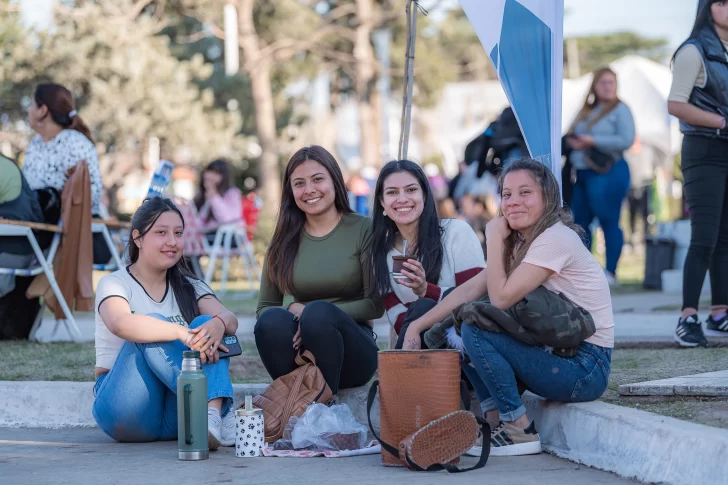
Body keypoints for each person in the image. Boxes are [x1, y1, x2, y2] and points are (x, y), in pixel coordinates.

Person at [402, 158, 614, 457]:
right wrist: (417, 326)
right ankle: (491, 419)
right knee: (457, 321)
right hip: (556, 354)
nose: (513, 202)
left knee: (475, 326)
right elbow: (470, 289)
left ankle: (519, 429)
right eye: (507, 194)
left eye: (525, 193)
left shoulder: (555, 238)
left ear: (548, 198)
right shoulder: (522, 240)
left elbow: (500, 298)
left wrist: (492, 237)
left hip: (585, 367)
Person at [92, 198, 238, 449]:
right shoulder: (114, 283)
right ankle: (215, 410)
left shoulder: (191, 286)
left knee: (207, 323)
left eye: (178, 233)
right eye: (161, 232)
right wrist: (180, 332)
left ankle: (210, 417)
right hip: (125, 405)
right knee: (149, 327)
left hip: (176, 410)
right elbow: (119, 323)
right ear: (138, 238)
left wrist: (218, 325)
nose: (172, 241)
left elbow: (230, 319)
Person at [255, 145, 383, 395]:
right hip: (303, 354)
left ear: (335, 181)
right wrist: (295, 310)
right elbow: (264, 307)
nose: (309, 190)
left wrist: (316, 314)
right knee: (271, 322)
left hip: (354, 353)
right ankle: (299, 407)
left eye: (317, 179)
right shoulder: (282, 240)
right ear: (291, 192)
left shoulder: (364, 229)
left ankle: (321, 410)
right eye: (299, 183)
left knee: (318, 314)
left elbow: (375, 304)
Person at [369, 160, 485, 349]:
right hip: (416, 347)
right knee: (420, 308)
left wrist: (426, 290)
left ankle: (394, 376)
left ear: (424, 194)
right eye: (392, 192)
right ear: (382, 202)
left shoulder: (456, 232)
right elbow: (398, 318)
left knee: (423, 305)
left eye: (411, 190)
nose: (402, 198)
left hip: (465, 342)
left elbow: (475, 298)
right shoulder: (382, 254)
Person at [668, 0, 728, 347]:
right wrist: (721, 121)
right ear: (708, 8)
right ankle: (687, 316)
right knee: (703, 238)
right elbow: (676, 104)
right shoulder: (693, 51)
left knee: (725, 239)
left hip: (724, 147)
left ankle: (719, 313)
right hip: (703, 150)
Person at [22, 83, 111, 265]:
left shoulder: (75, 143)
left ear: (42, 110)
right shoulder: (35, 144)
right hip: (39, 227)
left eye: (32, 105)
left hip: (71, 230)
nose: (28, 110)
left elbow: (91, 194)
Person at [566, 68, 636, 286]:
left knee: (608, 219)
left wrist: (592, 140)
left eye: (611, 82)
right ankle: (586, 271)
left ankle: (611, 271)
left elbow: (627, 139)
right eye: (603, 82)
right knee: (580, 222)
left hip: (609, 171)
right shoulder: (586, 110)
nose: (608, 87)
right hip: (583, 172)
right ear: (594, 86)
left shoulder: (620, 109)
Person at [193, 159, 243, 236]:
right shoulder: (199, 194)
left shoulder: (232, 194)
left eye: (216, 173)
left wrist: (214, 197)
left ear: (224, 177)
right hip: (201, 242)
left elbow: (227, 220)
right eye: (209, 171)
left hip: (222, 243)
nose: (210, 176)